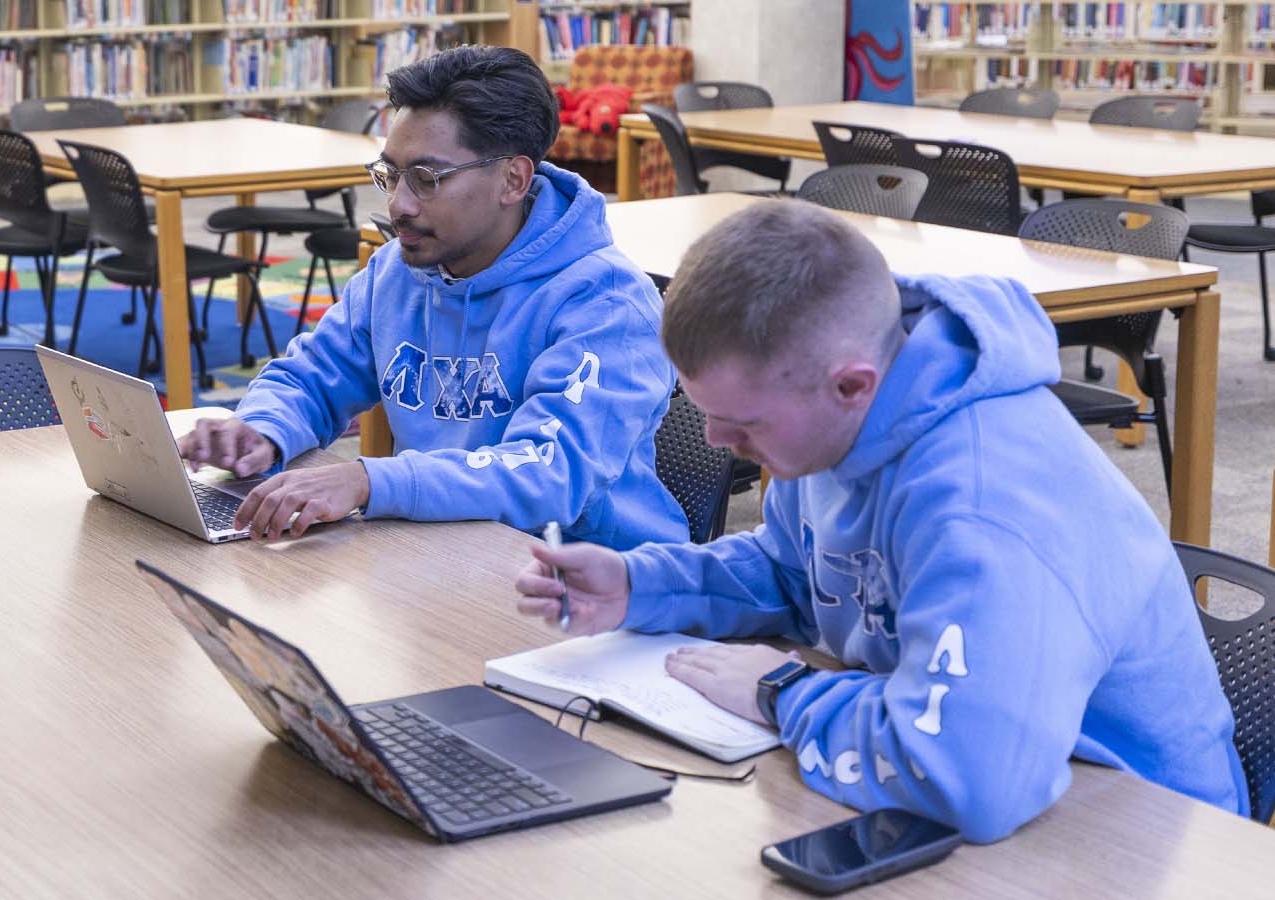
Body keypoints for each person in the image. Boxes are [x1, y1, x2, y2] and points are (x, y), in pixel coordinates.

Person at [513, 200, 1247, 841]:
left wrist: (783, 693)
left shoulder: (986, 505)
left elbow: (971, 777)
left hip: (1135, 832)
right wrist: (640, 585)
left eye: (740, 423)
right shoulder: (837, 427)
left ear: (850, 385)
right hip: (998, 780)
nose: (713, 444)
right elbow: (793, 573)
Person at [176, 45, 685, 549]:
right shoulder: (398, 269)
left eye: (426, 179)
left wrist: (371, 481)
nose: (398, 204)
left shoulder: (608, 303)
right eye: (391, 174)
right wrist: (261, 431)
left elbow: (550, 474)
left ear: (513, 179)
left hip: (596, 581)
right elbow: (313, 376)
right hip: (445, 555)